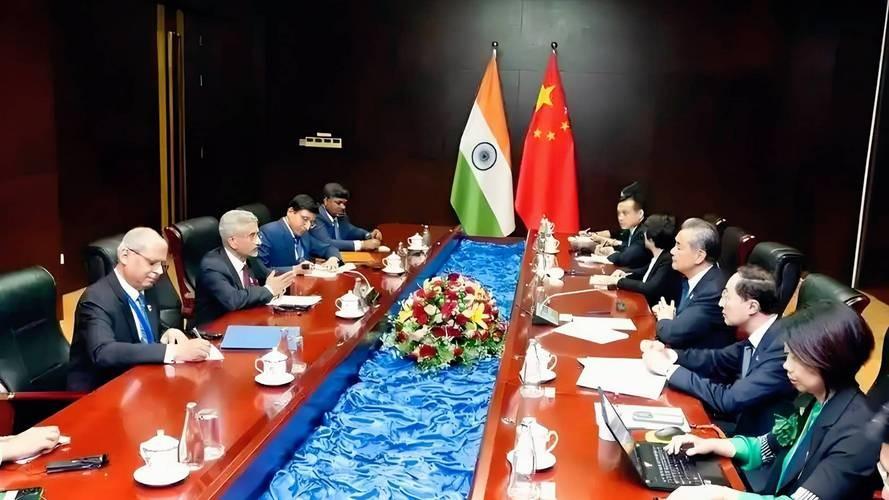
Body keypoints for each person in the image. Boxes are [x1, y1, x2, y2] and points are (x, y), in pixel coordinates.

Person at [664, 301, 879, 500]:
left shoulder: (858, 434)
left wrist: (723, 496)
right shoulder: (814, 398)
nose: (786, 366)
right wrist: (712, 444)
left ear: (828, 360)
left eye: (796, 358)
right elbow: (767, 446)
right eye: (788, 355)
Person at [67, 228, 211, 391]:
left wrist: (167, 333)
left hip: (140, 379)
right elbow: (103, 352)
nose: (159, 271)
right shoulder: (96, 299)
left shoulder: (146, 287)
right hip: (102, 391)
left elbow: (141, 332)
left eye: (162, 264)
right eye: (152, 263)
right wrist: (173, 351)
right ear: (124, 256)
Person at [193, 210, 295, 326]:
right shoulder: (212, 266)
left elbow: (269, 276)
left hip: (247, 322)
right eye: (252, 236)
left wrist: (280, 285)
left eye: (258, 234)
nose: (259, 242)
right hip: (215, 330)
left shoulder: (250, 257)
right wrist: (269, 290)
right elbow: (233, 301)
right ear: (233, 241)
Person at [654, 218, 734, 349]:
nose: (672, 251)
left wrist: (664, 318)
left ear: (699, 256)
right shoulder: (690, 278)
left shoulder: (713, 291)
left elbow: (672, 334)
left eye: (678, 247)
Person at [608, 214, 683, 307]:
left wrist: (618, 281)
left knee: (618, 307)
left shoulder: (668, 260)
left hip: (654, 310)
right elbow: (644, 271)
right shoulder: (660, 256)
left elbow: (650, 287)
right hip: (644, 303)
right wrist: (624, 273)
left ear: (650, 238)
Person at [258, 194, 341, 273]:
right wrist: (294, 270)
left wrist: (333, 259)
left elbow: (328, 248)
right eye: (305, 219)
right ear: (290, 211)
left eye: (311, 222)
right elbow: (261, 270)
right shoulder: (268, 232)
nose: (307, 227)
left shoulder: (304, 234)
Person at [591, 182, 651, 269]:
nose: (620, 218)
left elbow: (625, 258)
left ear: (640, 214)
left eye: (625, 213)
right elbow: (626, 247)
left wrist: (610, 253)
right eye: (619, 214)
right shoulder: (633, 230)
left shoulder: (643, 233)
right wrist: (610, 248)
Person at [311, 182, 383, 251]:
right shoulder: (315, 216)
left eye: (344, 203)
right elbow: (326, 242)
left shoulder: (341, 216)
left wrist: (369, 235)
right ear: (326, 201)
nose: (343, 207)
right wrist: (362, 244)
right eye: (338, 203)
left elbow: (352, 231)